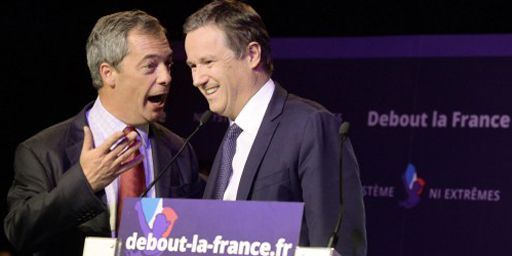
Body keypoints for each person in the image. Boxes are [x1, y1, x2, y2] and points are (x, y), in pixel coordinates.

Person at [4, 10, 204, 255]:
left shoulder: (179, 150)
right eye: (150, 66)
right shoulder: (42, 151)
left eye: (168, 64)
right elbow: (19, 233)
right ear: (108, 73)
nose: (166, 77)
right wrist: (84, 183)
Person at [183, 1, 367, 255]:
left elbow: (337, 245)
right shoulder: (231, 138)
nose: (197, 79)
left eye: (208, 62)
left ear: (252, 55)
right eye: (193, 66)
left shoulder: (310, 126)